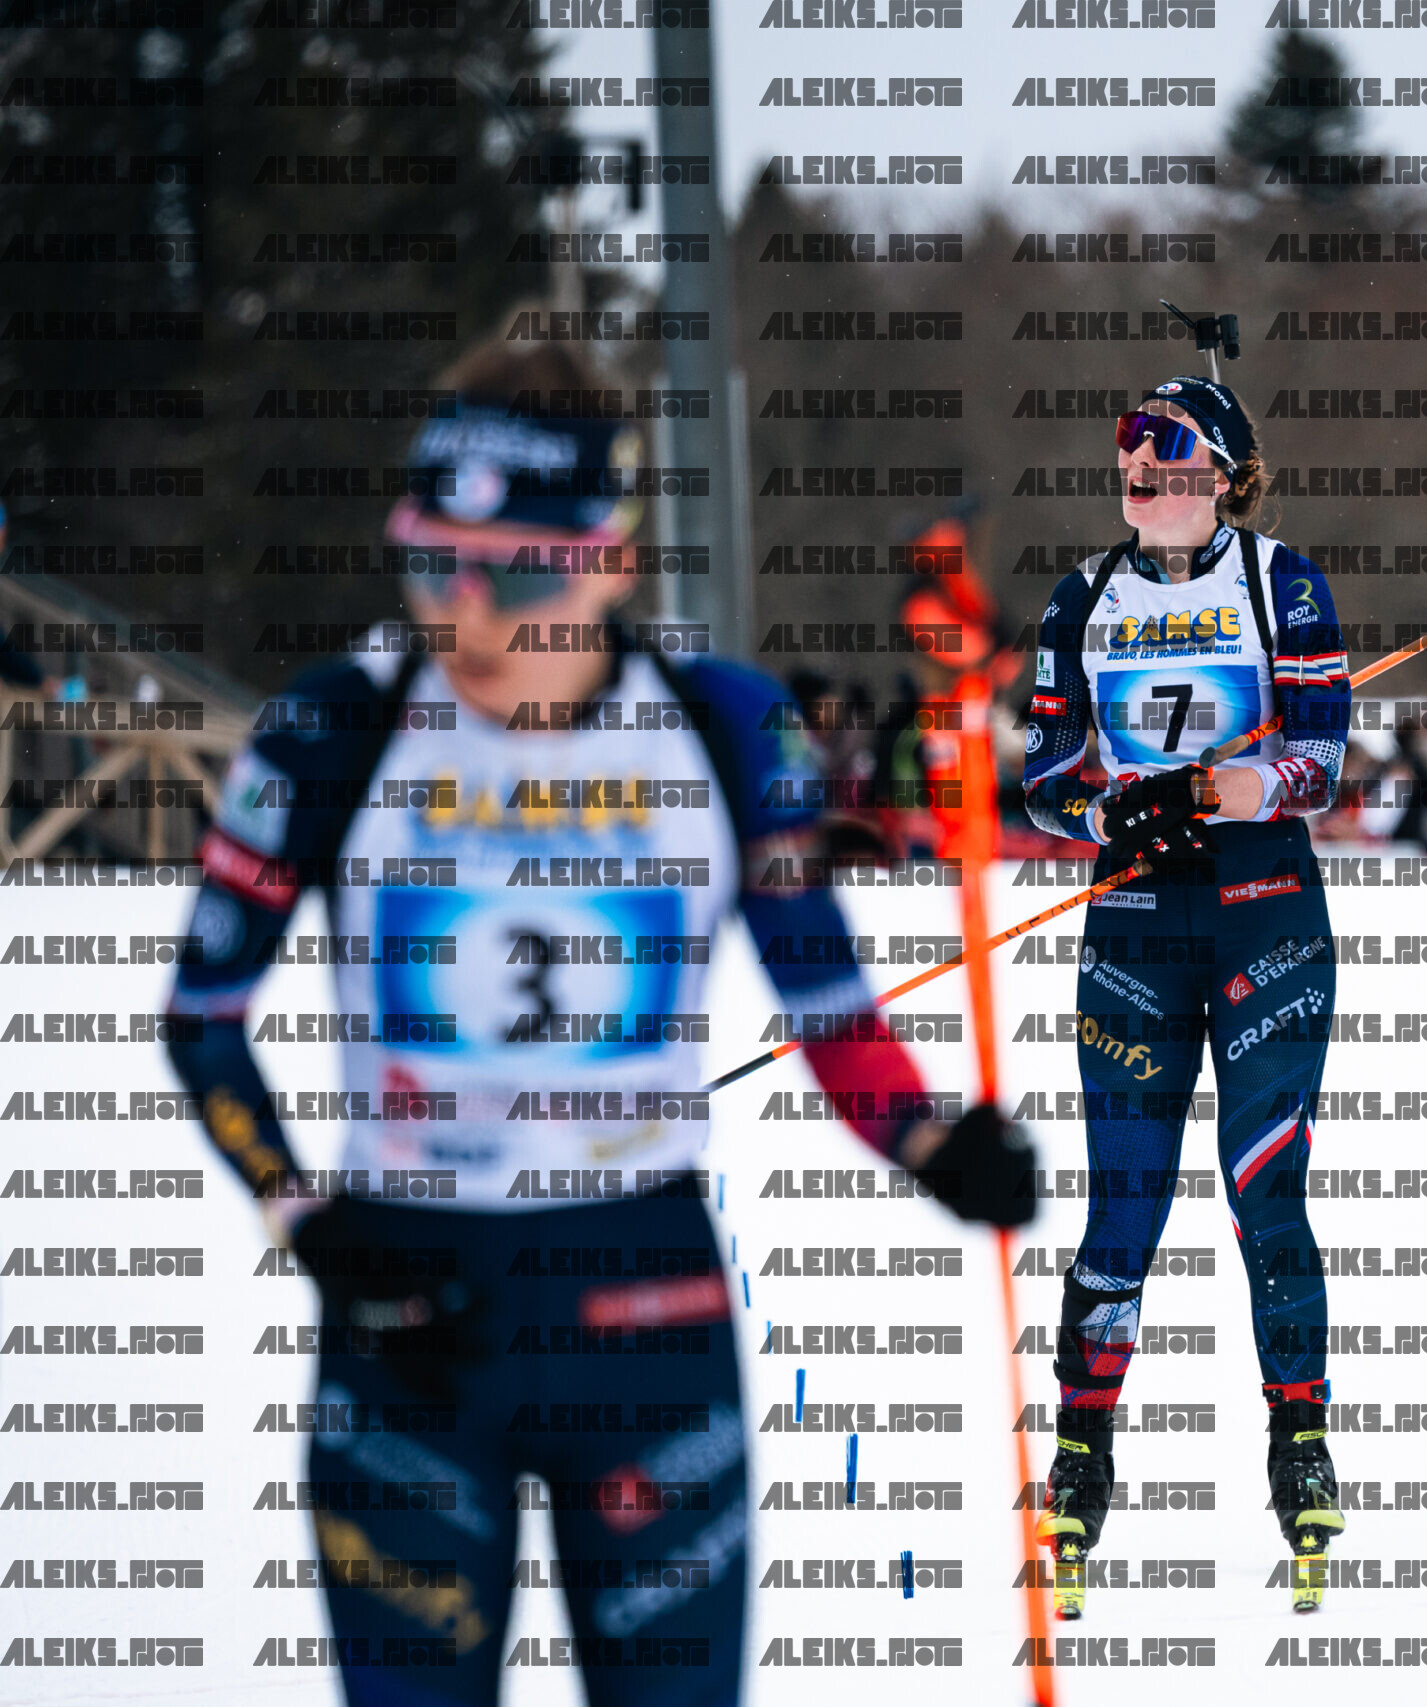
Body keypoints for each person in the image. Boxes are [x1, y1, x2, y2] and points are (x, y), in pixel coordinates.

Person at [163, 336, 1034, 1707]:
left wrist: (932, 1142)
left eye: (513, 575)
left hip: (646, 1306)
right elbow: (204, 1015)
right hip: (406, 1306)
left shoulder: (727, 727)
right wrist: (306, 1218)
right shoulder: (331, 729)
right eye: (430, 564)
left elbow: (824, 1001)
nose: (465, 613)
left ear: (612, 558)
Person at [1019, 375, 1352, 1615]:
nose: (1140, 476)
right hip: (1136, 925)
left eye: (1166, 458)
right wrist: (1110, 809)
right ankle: (1082, 1448)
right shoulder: (1081, 599)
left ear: (1219, 475)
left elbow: (1318, 759)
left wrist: (1216, 790)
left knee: (1267, 1189)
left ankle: (1299, 1438)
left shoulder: (1283, 584)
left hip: (1265, 915)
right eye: (1128, 459)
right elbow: (1044, 777)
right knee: (1124, 1205)